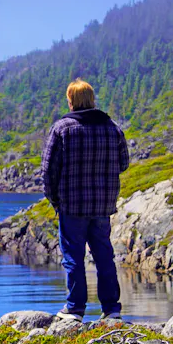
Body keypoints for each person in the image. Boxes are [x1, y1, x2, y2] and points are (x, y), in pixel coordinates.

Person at [41, 79, 129, 321]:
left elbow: (48, 172)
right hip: (102, 206)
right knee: (104, 257)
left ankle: (75, 308)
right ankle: (111, 309)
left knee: (73, 257)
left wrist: (56, 201)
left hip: (72, 206)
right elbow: (123, 163)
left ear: (71, 102)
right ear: (92, 100)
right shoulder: (113, 128)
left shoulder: (62, 129)